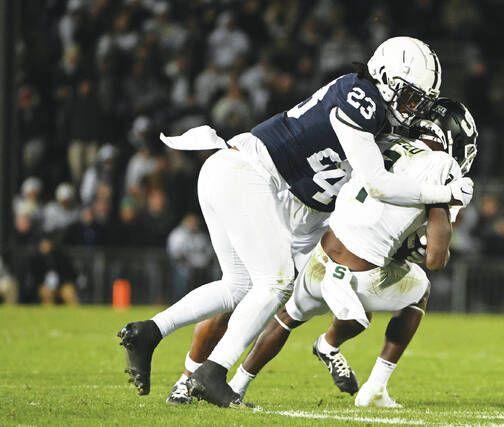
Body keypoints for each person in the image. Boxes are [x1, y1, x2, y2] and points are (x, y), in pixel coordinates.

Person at [118, 37, 473, 407]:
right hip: (254, 176)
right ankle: (208, 373)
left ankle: (152, 333)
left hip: (289, 200)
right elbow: (377, 184)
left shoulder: (386, 123)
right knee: (273, 283)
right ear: (385, 78)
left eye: (420, 103)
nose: (412, 110)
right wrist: (444, 195)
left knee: (240, 287)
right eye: (410, 98)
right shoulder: (361, 98)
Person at [222, 98, 478, 408]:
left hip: (323, 253)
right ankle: (362, 374)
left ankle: (236, 385)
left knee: (288, 317)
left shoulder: (385, 139)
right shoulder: (443, 166)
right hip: (360, 275)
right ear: (453, 139)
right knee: (420, 288)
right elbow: (435, 260)